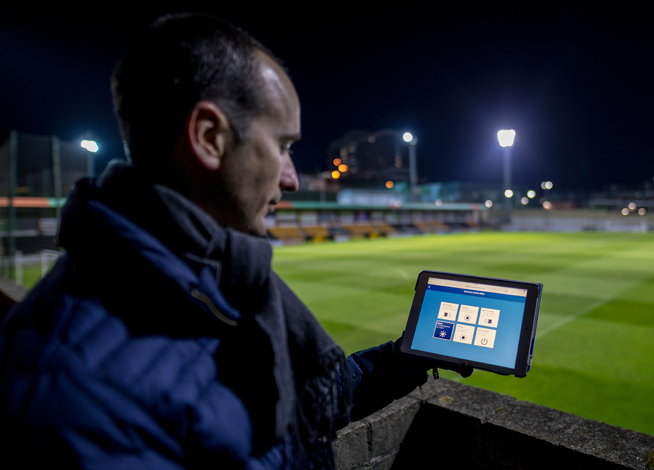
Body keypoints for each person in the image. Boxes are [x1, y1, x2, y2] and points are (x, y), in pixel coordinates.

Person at [0, 13, 469, 469]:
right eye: (283, 146)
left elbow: (303, 399)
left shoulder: (216, 280)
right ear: (209, 137)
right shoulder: (75, 394)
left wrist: (403, 357)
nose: (292, 179)